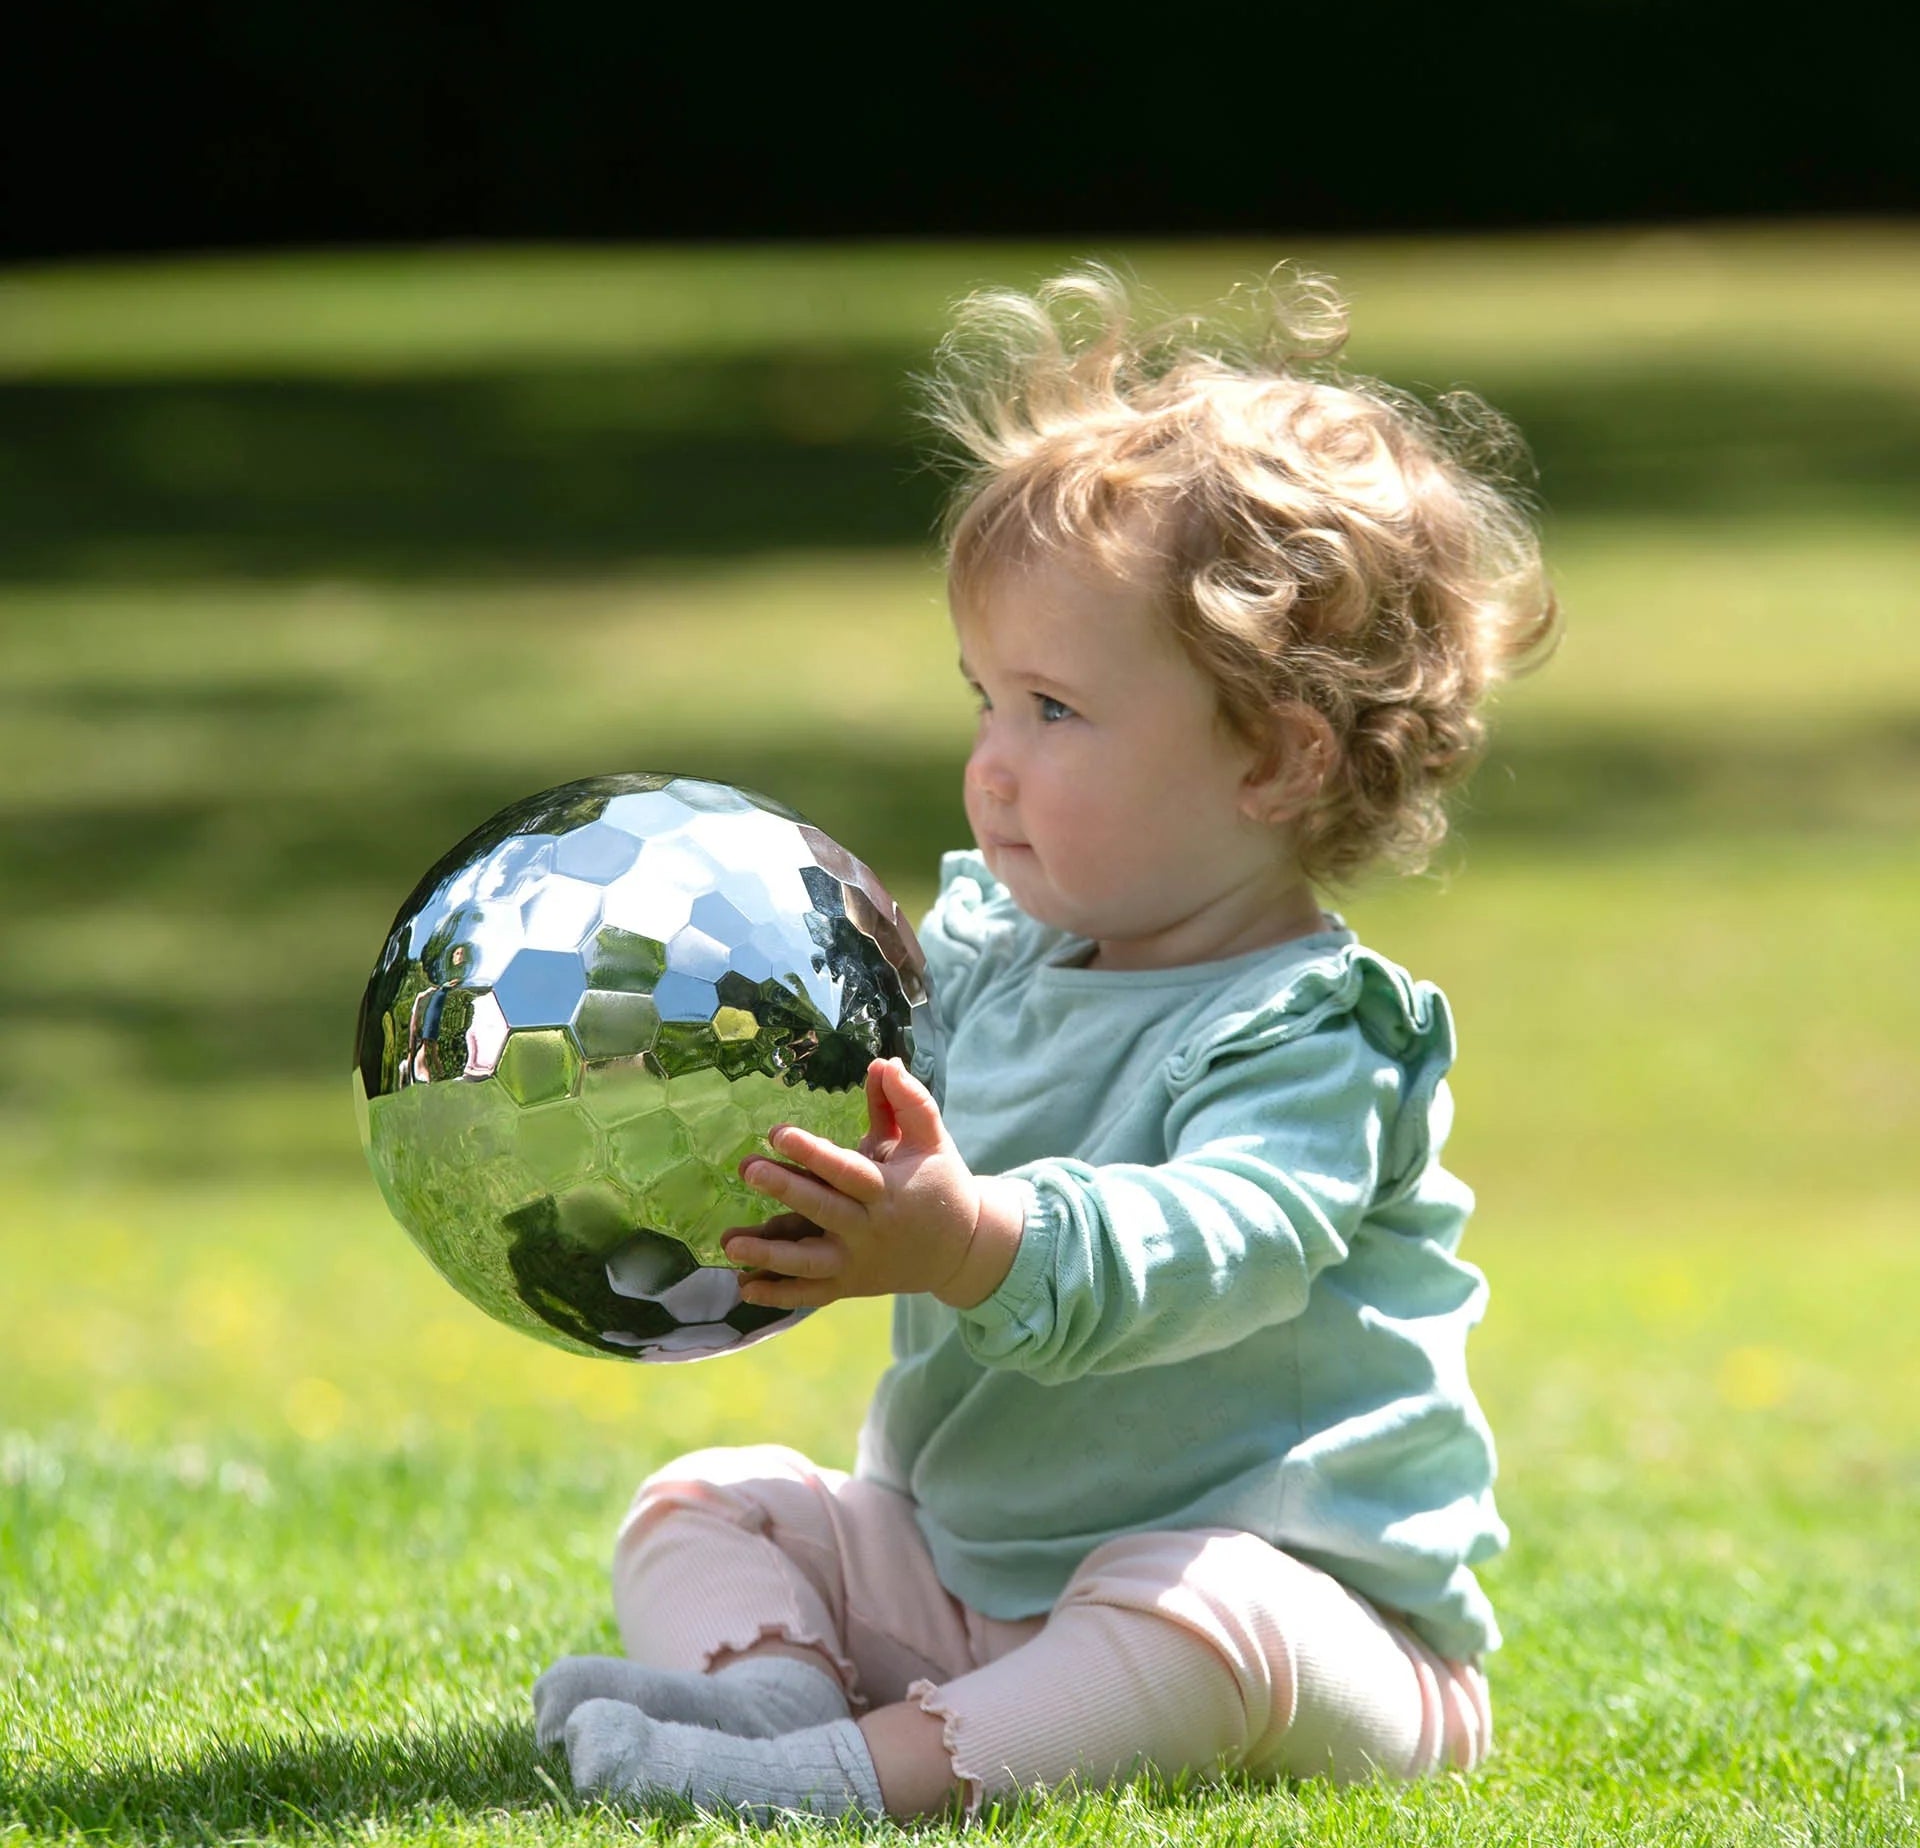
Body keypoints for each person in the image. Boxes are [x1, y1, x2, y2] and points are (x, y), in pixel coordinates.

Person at [531, 266, 1559, 1821]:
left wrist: (971, 1241)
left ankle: (832, 1778)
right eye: (985, 700)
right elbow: (860, 1114)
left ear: (1273, 761)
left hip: (1317, 1631)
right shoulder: (984, 961)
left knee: (1192, 1606)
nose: (990, 768)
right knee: (712, 1503)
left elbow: (1223, 1240)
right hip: (969, 1576)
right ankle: (773, 1698)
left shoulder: (1313, 1033)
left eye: (1056, 712)